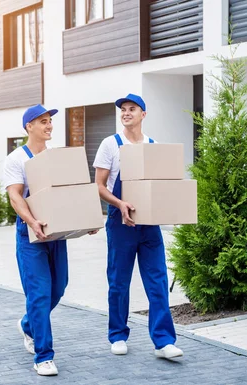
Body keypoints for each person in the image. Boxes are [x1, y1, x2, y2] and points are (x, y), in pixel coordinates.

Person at [93, 93, 183, 359]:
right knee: (119, 282)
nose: (126, 112)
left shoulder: (152, 144)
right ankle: (118, 334)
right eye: (123, 109)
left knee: (157, 281)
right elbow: (98, 186)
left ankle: (164, 341)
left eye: (132, 109)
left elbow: (159, 184)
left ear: (144, 114)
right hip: (120, 222)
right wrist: (120, 203)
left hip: (148, 224)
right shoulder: (110, 144)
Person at [3, 104, 68, 376]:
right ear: (29, 126)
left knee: (59, 287)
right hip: (29, 235)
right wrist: (32, 222)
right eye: (43, 121)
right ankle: (44, 356)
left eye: (50, 121)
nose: (49, 125)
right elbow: (15, 196)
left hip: (55, 233)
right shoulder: (17, 158)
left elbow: (66, 192)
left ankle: (28, 324)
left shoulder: (55, 157)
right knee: (40, 293)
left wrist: (83, 221)